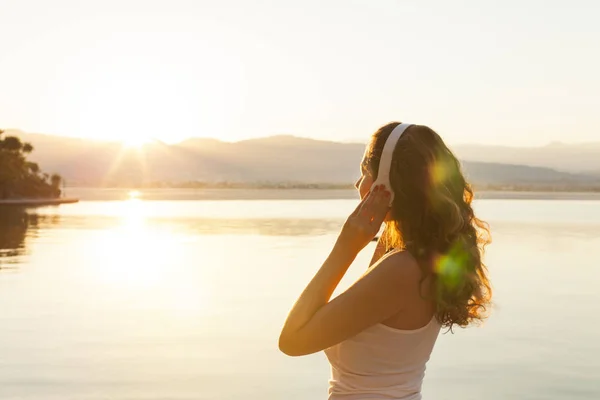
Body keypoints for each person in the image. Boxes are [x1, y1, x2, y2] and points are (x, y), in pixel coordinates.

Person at [279, 122, 492, 400]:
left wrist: (345, 248)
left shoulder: (402, 269)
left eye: (365, 172)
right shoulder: (420, 258)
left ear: (387, 182)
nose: (358, 184)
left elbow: (292, 341)